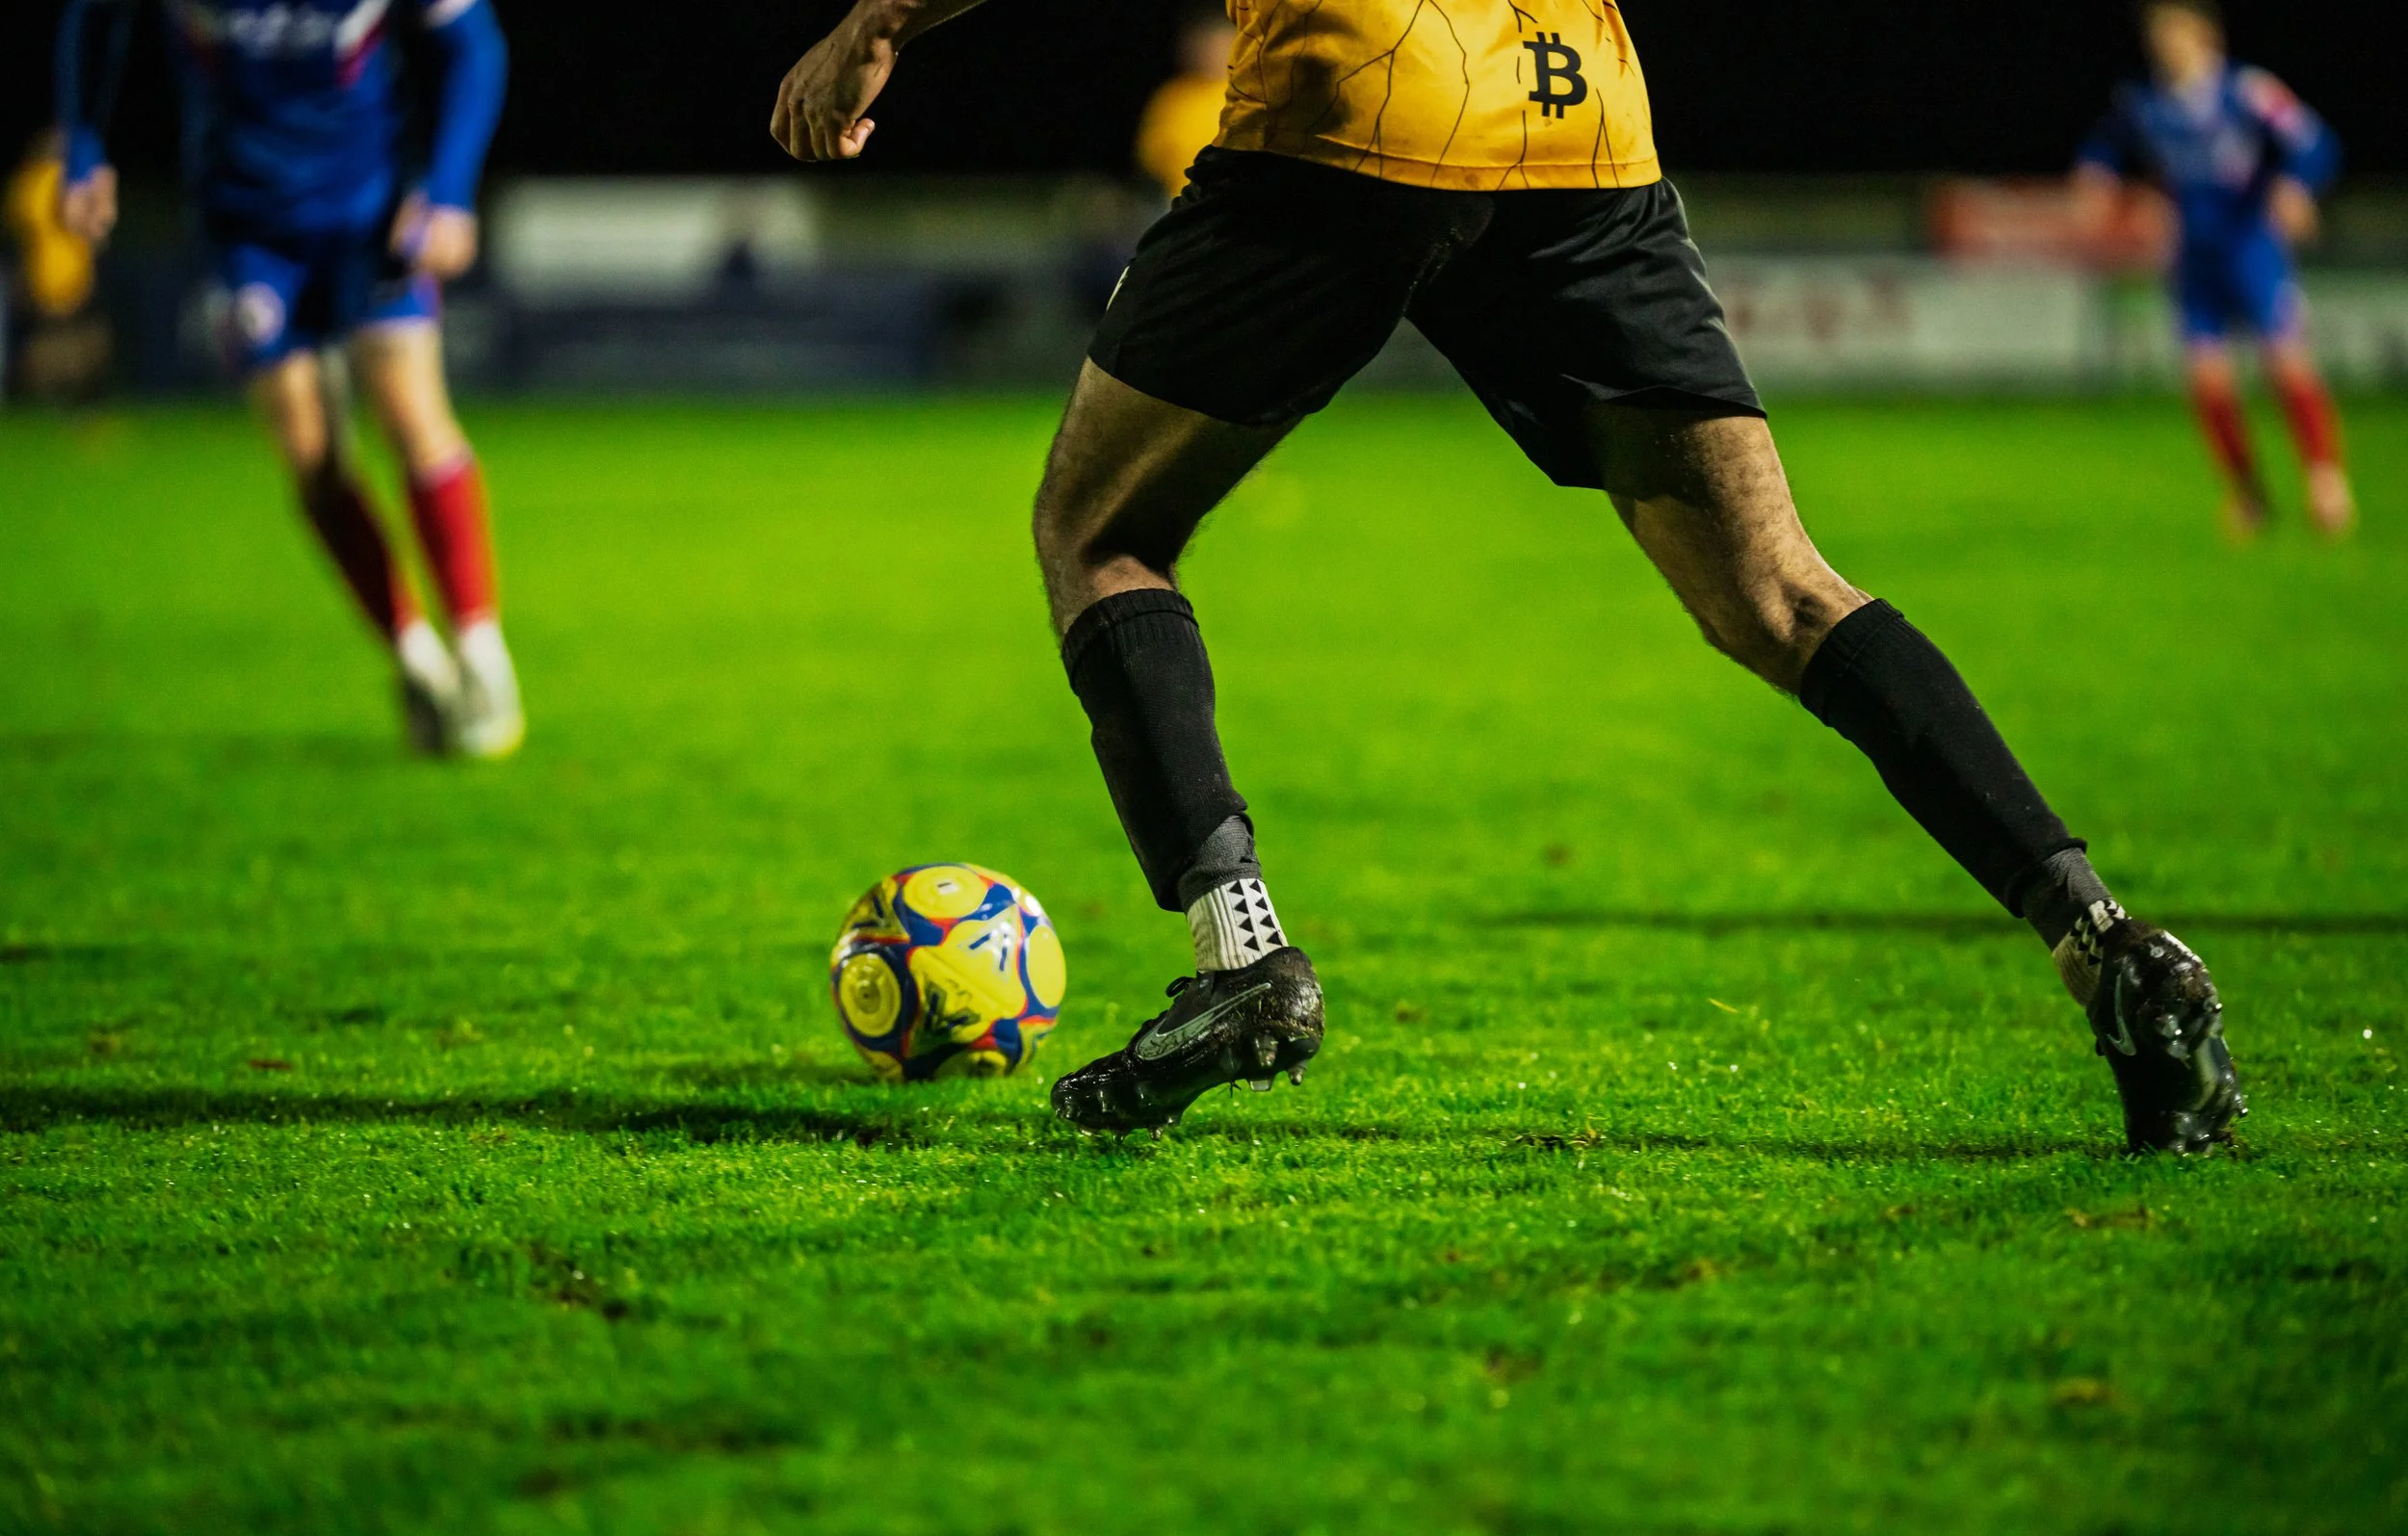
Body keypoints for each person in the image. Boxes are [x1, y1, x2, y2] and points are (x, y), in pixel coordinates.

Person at [771, 0, 2244, 1155]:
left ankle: (1244, 950)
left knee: (1097, 529)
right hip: (1579, 113)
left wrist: (881, 19)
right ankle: (2105, 940)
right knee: (1784, 592)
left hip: (1359, 99)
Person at [55, 0, 526, 758]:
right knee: (310, 454)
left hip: (369, 215)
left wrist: (448, 189)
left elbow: (473, 43)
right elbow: (95, 16)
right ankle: (414, 655)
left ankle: (480, 647)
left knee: (411, 412)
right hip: (247, 227)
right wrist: (82, 145)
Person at [2076, 0, 2352, 539]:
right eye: (2159, 38)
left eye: (2176, 35)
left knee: (2286, 362)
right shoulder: (2146, 102)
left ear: (2205, 38)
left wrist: (2295, 186)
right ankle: (2248, 495)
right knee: (2207, 376)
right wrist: (2095, 176)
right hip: (2194, 257)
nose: (2166, 47)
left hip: (2252, 247)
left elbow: (2315, 143)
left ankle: (2325, 480)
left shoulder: (2246, 92)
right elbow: (2106, 145)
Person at [5, 129, 114, 403]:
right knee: (56, 347)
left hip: (53, 278)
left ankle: (57, 403)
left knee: (78, 343)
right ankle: (48, 401)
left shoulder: (28, 182)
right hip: (55, 278)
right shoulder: (56, 180)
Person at [1134, 6, 1239, 202]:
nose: (1214, 53)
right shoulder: (1173, 98)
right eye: (1207, 45)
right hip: (1180, 202)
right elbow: (1150, 158)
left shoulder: (1254, 94)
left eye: (1222, 44)